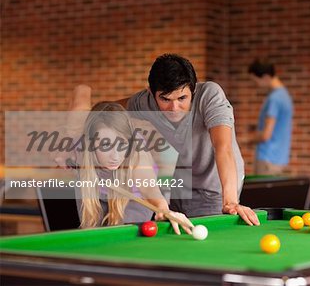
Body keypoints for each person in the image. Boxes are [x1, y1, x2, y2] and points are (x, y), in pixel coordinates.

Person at [61, 54, 259, 226]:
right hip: (179, 182)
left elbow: (222, 148)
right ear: (151, 93)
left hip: (215, 186)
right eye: (165, 99)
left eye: (182, 98)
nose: (174, 108)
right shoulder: (144, 102)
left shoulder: (211, 96)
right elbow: (106, 112)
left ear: (193, 91)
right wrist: (71, 140)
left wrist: (231, 200)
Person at [71, 101, 193, 235]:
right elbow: (81, 94)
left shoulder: (137, 151)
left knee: (121, 235)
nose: (115, 156)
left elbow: (149, 188)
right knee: (91, 234)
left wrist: (164, 210)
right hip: (94, 193)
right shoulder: (79, 147)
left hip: (132, 198)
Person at [248, 58, 293, 175]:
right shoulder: (284, 96)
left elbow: (266, 135)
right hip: (279, 158)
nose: (256, 84)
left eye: (256, 80)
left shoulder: (274, 99)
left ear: (266, 77)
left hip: (267, 159)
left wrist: (245, 141)